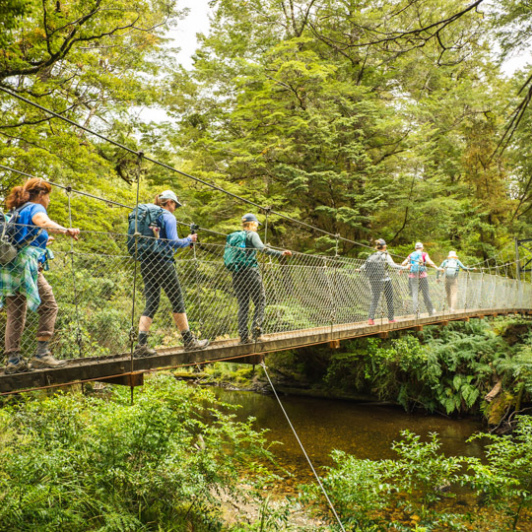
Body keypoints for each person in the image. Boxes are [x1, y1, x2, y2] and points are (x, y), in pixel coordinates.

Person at [1, 178, 80, 374]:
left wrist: (47, 239)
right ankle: (41, 355)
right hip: (26, 267)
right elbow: (42, 222)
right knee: (49, 305)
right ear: (42, 195)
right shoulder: (36, 208)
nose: (49, 201)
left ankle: (13, 359)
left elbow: (22, 237)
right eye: (49, 197)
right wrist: (65, 230)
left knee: (16, 313)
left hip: (9, 268)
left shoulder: (17, 211)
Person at [133, 190, 209, 357]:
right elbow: (174, 242)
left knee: (152, 302)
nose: (175, 208)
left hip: (146, 263)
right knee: (177, 301)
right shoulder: (168, 216)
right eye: (174, 204)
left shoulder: (151, 218)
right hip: (163, 263)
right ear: (168, 202)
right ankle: (189, 342)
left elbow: (161, 240)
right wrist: (189, 239)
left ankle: (141, 345)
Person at [225, 213, 292, 344]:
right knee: (260, 301)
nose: (257, 227)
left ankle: (243, 337)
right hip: (250, 272)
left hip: (237, 273)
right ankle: (257, 333)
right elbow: (262, 249)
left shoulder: (236, 237)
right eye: (256, 225)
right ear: (253, 224)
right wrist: (280, 253)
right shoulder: (252, 234)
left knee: (243, 305)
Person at [359, 239, 407, 325]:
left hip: (375, 281)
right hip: (386, 280)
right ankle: (391, 319)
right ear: (384, 246)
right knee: (389, 300)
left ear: (377, 247)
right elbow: (392, 265)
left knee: (375, 299)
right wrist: (405, 267)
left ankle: (371, 319)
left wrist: (359, 269)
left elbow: (365, 265)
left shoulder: (372, 255)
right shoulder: (386, 255)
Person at [401, 242, 442, 316]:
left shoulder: (411, 255)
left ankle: (416, 313)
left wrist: (402, 269)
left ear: (415, 248)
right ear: (422, 248)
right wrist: (436, 267)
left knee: (414, 294)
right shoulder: (424, 254)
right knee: (425, 294)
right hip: (422, 276)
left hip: (412, 276)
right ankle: (431, 311)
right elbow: (429, 262)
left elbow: (403, 263)